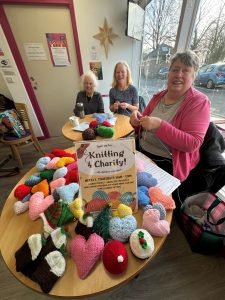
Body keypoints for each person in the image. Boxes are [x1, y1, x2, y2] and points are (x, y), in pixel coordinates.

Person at [130, 50, 211, 207]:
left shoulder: (199, 102)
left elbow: (192, 143)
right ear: (168, 73)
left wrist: (160, 125)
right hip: (141, 153)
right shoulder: (158, 97)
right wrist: (136, 121)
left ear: (193, 76)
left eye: (186, 70)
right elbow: (142, 126)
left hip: (166, 163)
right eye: (175, 69)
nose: (178, 74)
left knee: (145, 204)